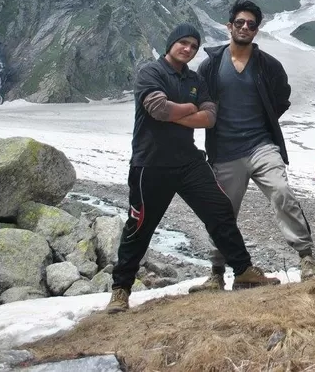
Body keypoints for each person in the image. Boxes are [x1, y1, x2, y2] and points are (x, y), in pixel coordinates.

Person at [106, 24, 279, 314]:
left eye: (193, 46)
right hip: (150, 163)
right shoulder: (151, 73)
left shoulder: (196, 79)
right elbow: (158, 109)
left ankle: (244, 270)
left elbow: (210, 117)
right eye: (183, 43)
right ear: (171, 43)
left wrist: (177, 110)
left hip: (188, 162)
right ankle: (120, 290)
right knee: (139, 225)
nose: (188, 49)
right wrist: (190, 108)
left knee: (220, 211)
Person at [191, 1, 315, 292]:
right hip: (224, 151)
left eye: (251, 24)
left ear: (257, 30)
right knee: (222, 212)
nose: (245, 28)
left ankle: (307, 258)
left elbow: (282, 97)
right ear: (229, 26)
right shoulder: (211, 65)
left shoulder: (268, 65)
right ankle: (216, 272)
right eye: (240, 23)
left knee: (282, 192)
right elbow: (200, 100)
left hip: (261, 145)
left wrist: (267, 119)